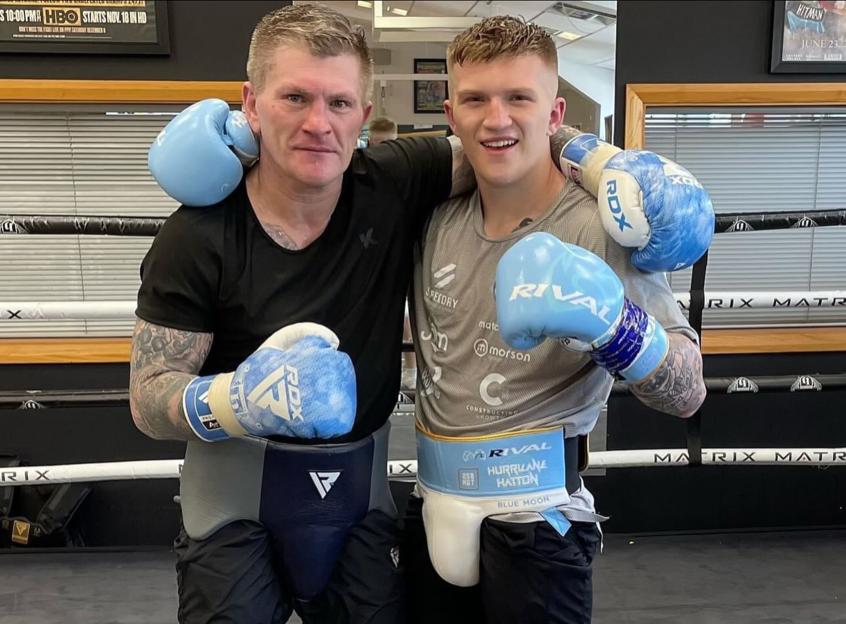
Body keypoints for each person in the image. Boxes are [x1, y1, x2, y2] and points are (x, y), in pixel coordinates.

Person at [134, 6, 708, 622]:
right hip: (387, 511)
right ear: (249, 104)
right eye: (294, 97)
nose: (318, 123)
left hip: (518, 519)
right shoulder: (422, 210)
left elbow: (688, 393)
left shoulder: (571, 221)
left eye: (339, 103)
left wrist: (602, 173)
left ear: (363, 110)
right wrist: (236, 401)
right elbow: (146, 398)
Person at [403, 16, 711, 624]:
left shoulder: (599, 229)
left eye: (519, 97)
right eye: (476, 100)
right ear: (450, 113)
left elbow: (689, 391)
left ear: (554, 112)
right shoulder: (432, 217)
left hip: (538, 520)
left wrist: (616, 327)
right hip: (432, 502)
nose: (497, 120)